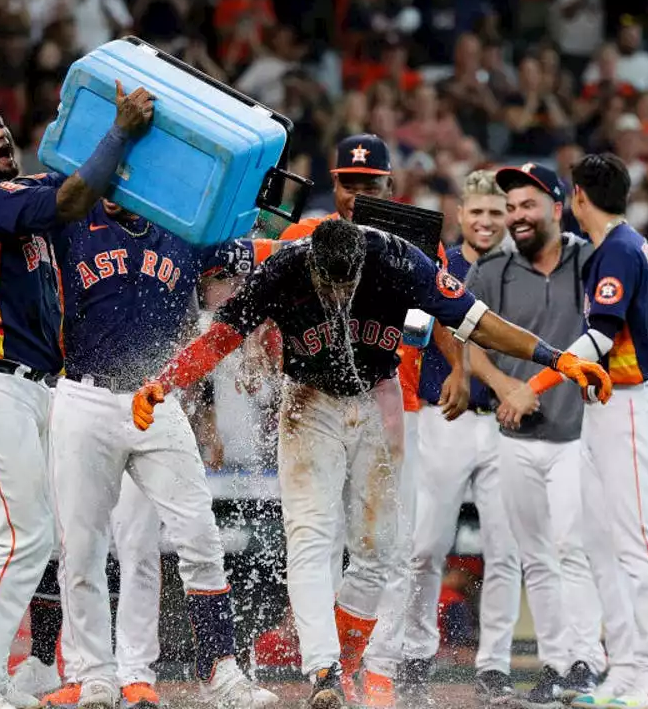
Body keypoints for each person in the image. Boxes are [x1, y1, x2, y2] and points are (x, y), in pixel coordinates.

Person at [130, 217, 613, 709]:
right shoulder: (284, 268)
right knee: (310, 537)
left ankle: (346, 660)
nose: (338, 296)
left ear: (362, 265)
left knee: (378, 550)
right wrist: (165, 382)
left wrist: (556, 360)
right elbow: (223, 336)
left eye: (346, 284)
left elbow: (478, 321)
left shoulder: (400, 261)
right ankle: (323, 671)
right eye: (328, 284)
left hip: (377, 395)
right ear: (311, 264)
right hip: (307, 401)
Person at [0, 80, 154, 709]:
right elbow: (75, 195)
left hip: (21, 383)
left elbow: (79, 190)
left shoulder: (9, 191)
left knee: (28, 537)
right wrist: (120, 131)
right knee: (19, 538)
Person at [46, 198, 280, 709]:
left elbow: (257, 261)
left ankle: (213, 669)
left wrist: (264, 321)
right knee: (81, 549)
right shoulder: (70, 219)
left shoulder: (188, 226)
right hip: (85, 395)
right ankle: (94, 676)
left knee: (197, 535)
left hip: (157, 396)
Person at [273, 133, 461, 708]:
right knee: (320, 539)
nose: (358, 194)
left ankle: (373, 663)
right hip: (317, 401)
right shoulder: (305, 236)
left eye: (369, 184)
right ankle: (326, 666)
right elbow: (267, 298)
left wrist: (459, 366)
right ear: (335, 185)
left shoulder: (415, 243)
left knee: (388, 543)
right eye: (350, 184)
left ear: (388, 186)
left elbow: (445, 307)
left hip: (393, 398)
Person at [526, 153, 648, 709]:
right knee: (600, 544)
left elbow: (600, 335)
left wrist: (535, 384)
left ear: (578, 196)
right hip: (611, 406)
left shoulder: (617, 250)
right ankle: (624, 672)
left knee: (638, 545)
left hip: (629, 409)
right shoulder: (638, 247)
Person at [463, 162, 606, 707]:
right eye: (512, 206)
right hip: (515, 435)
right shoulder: (495, 269)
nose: (518, 216)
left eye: (528, 204)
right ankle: (555, 664)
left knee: (573, 549)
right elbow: (465, 338)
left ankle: (586, 662)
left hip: (579, 431)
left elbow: (611, 331)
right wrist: (503, 387)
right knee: (536, 557)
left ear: (556, 205)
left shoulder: (589, 261)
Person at [397, 169, 523, 709]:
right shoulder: (437, 260)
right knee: (425, 545)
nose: (487, 222)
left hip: (506, 423)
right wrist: (463, 367)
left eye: (496, 213)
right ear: (461, 215)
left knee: (505, 551)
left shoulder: (522, 268)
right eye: (478, 212)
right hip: (443, 415)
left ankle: (494, 669)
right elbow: (416, 329)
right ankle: (414, 658)